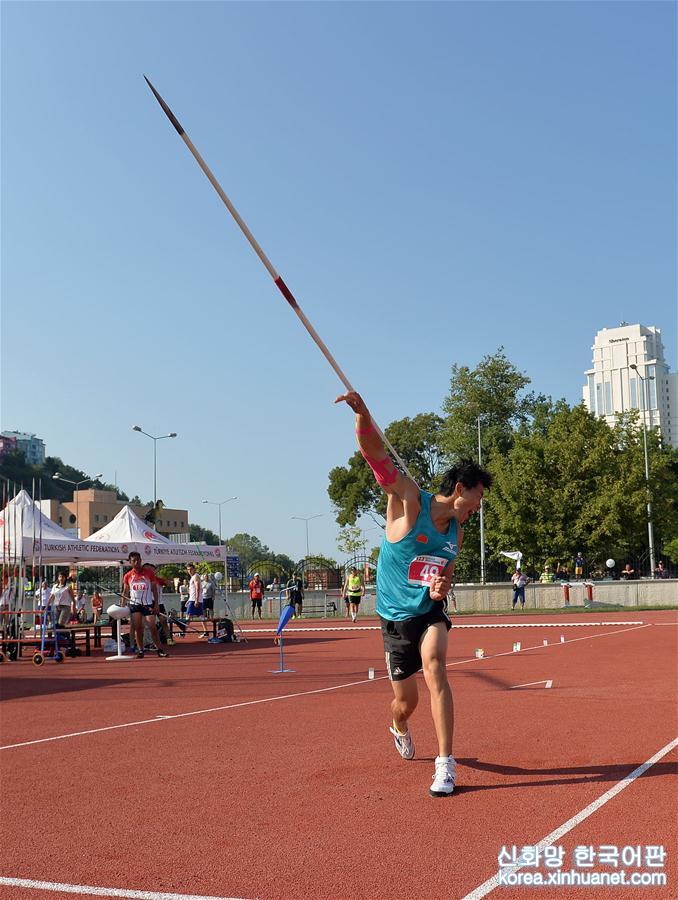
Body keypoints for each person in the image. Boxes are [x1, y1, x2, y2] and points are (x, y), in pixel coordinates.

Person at [336, 390, 491, 797]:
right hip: (393, 619)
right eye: (474, 503)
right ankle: (399, 725)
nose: (475, 512)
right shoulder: (408, 501)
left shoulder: (455, 533)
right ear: (460, 489)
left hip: (427, 615)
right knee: (405, 702)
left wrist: (442, 588)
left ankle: (445, 765)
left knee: (437, 665)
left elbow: (445, 579)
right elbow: (377, 459)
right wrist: (363, 417)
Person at [121, 552, 168, 659]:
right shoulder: (128, 576)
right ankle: (141, 650)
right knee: (138, 628)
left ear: (141, 560)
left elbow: (154, 590)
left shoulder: (148, 573)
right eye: (134, 560)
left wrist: (156, 605)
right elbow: (125, 592)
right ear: (130, 562)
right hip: (135, 605)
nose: (137, 562)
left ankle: (159, 649)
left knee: (153, 627)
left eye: (138, 560)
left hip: (147, 604)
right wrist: (122, 606)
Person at [185, 564, 205, 636]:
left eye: (191, 569)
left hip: (195, 600)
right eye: (188, 569)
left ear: (194, 569)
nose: (189, 571)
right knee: (201, 616)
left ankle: (183, 631)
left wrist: (196, 600)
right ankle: (205, 631)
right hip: (193, 599)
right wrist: (189, 600)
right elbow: (193, 590)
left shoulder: (196, 576)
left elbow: (197, 588)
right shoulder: (192, 577)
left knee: (188, 615)